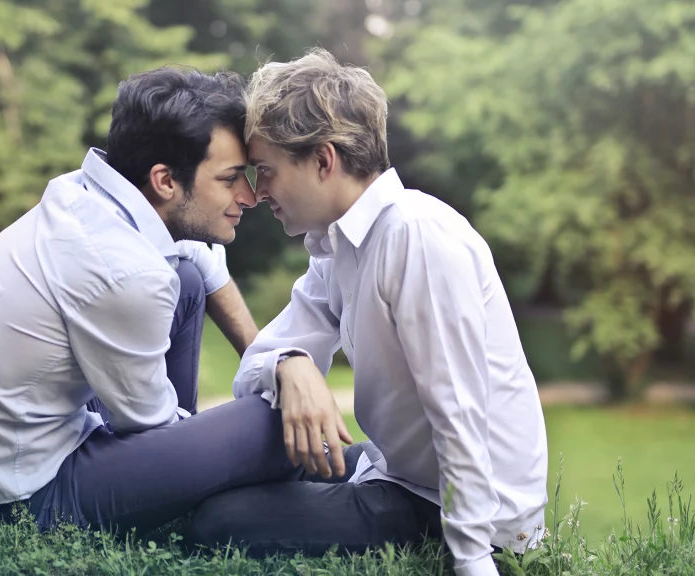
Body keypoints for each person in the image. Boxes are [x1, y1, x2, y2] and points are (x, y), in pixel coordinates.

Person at [0, 67, 299, 535]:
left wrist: (264, 354)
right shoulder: (127, 272)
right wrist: (229, 441)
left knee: (185, 278)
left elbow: (199, 259)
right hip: (17, 497)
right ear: (164, 181)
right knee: (269, 424)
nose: (250, 195)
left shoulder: (85, 192)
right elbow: (147, 421)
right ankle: (338, 479)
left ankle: (192, 478)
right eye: (229, 179)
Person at [185, 49, 549, 576]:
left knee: (218, 523)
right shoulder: (337, 246)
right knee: (233, 468)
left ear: (324, 160)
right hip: (397, 471)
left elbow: (460, 411)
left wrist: (470, 559)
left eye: (266, 171)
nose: (257, 192)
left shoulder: (416, 237)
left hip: (461, 508)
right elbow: (255, 366)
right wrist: (291, 364)